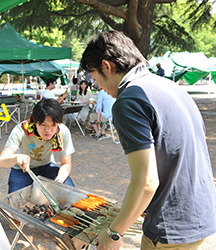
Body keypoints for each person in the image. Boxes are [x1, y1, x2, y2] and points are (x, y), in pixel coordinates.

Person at [80, 31, 216, 249]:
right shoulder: (169, 86)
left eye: (95, 79)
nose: (100, 88)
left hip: (171, 229)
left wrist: (114, 232)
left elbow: (146, 182)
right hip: (201, 217)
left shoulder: (129, 101)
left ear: (107, 66)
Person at [0, 98, 75, 194]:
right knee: (15, 201)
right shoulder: (21, 130)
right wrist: (16, 158)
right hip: (21, 170)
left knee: (69, 191)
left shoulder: (62, 131)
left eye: (53, 125)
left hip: (47, 167)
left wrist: (58, 182)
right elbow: (0, 161)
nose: (48, 131)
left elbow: (66, 164)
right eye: (43, 125)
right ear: (35, 122)